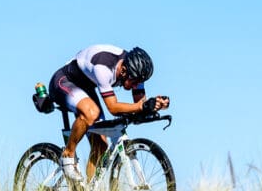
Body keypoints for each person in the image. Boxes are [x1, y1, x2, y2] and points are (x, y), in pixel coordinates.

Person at [47, 44, 170, 182]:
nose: (136, 86)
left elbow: (140, 105)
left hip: (87, 86)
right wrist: (142, 106)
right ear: (123, 70)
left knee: (100, 144)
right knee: (91, 112)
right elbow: (113, 108)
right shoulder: (103, 68)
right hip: (65, 80)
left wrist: (155, 105)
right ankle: (67, 155)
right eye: (134, 82)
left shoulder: (135, 72)